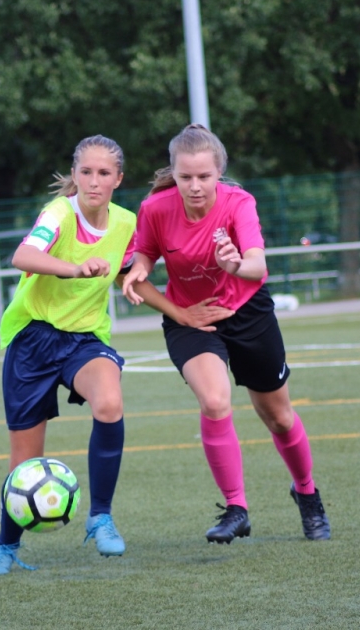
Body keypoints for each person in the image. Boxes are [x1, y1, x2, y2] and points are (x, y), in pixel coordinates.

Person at [122, 124, 331, 543]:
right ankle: (237, 508)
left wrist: (233, 265)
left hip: (247, 311)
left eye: (204, 176)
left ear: (219, 171)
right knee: (215, 401)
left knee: (278, 417)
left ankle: (307, 493)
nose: (195, 186)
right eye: (185, 177)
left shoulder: (239, 203)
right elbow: (143, 253)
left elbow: (257, 264)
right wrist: (140, 270)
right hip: (192, 319)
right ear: (174, 173)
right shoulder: (155, 208)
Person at [0, 134, 160, 577]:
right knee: (25, 462)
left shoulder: (126, 222)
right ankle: (5, 545)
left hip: (84, 339)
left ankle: (100, 517)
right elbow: (23, 255)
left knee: (110, 403)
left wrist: (176, 307)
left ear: (118, 179)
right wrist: (74, 268)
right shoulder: (59, 213)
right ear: (75, 175)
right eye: (86, 172)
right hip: (32, 339)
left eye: (104, 173)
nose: (94, 181)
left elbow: (134, 268)